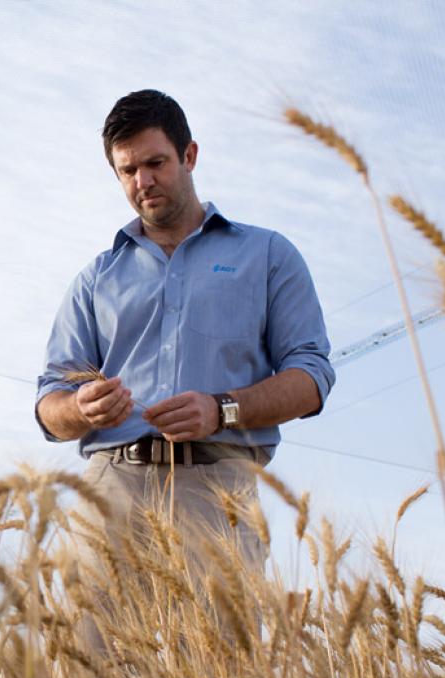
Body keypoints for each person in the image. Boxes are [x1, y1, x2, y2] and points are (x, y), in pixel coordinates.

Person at [35, 90, 334, 631]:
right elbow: (48, 407)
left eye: (155, 163)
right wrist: (81, 407)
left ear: (189, 156)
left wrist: (223, 410)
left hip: (218, 491)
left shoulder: (267, 256)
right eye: (127, 170)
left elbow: (311, 378)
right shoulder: (94, 279)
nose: (142, 182)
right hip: (110, 490)